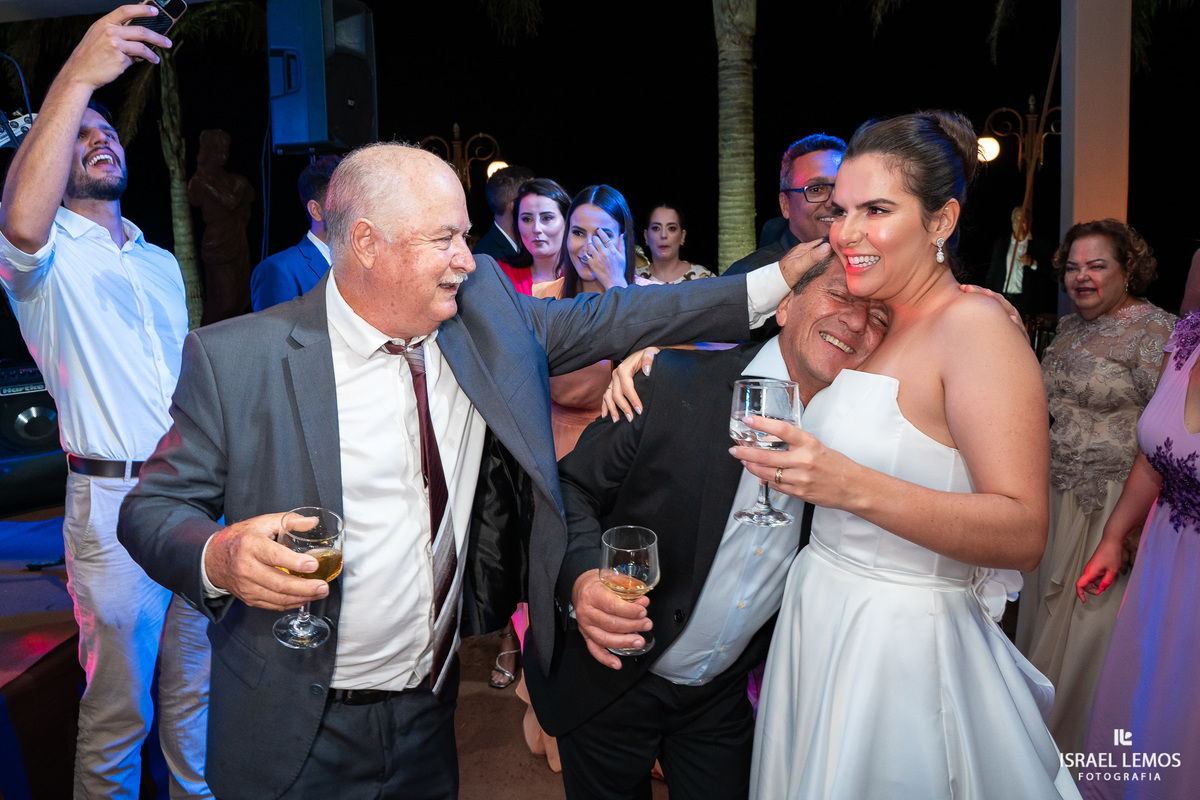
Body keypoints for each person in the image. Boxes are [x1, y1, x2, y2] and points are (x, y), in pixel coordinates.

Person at [117, 141, 816, 799]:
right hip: (292, 721)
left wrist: (776, 279)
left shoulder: (484, 322)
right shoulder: (237, 359)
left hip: (429, 715)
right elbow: (150, 511)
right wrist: (219, 555)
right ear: (366, 243)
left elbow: (620, 311)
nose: (469, 258)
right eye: (444, 238)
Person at [737, 112, 1078, 798]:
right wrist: (652, 355)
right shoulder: (881, 319)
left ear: (942, 221)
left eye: (877, 210)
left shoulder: (976, 330)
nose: (847, 233)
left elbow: (1023, 532)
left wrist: (847, 484)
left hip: (899, 641)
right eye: (840, 210)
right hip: (823, 610)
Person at [523, 255, 889, 800]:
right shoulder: (668, 381)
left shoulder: (865, 440)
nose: (856, 322)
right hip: (608, 681)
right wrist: (581, 581)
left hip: (721, 699)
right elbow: (570, 489)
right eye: (839, 296)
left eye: (878, 315)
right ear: (784, 304)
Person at [0, 7, 213, 798]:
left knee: (195, 693)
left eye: (107, 130)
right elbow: (21, 216)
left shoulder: (157, 260)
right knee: (120, 713)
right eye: (79, 132)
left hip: (191, 496)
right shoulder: (41, 258)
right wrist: (81, 75)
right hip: (113, 505)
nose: (102, 138)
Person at [1016, 219, 1175, 760]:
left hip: (1114, 508)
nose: (1081, 277)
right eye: (1072, 267)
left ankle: (1084, 760)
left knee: (1093, 637)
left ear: (1128, 269)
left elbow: (1170, 434)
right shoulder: (1065, 330)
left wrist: (1135, 529)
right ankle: (1033, 755)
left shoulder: (1159, 333)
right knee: (1044, 625)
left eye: (1097, 265)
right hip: (1056, 500)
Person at [1075, 309, 1200, 800]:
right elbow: (1156, 457)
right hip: (1162, 559)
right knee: (1147, 700)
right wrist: (1113, 536)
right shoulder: (1187, 339)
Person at [724, 133, 844, 276]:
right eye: (816, 189)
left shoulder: (867, 263)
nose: (833, 201)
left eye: (843, 186)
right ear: (785, 205)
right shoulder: (751, 276)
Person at [251, 154, 342, 311]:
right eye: (345, 203)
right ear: (316, 210)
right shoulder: (279, 270)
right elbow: (274, 334)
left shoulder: (365, 263)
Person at [188, 128, 254, 324]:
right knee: (225, 299)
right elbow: (229, 200)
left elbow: (247, 195)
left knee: (241, 294)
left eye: (225, 148)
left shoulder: (225, 176)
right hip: (218, 240)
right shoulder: (201, 180)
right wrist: (240, 186)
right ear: (209, 151)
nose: (224, 154)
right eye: (218, 149)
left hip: (236, 236)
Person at [497, 178, 570, 297]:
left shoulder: (583, 274)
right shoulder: (501, 274)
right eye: (527, 219)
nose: (536, 228)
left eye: (547, 218)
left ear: (567, 221)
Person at [636, 203, 714, 284]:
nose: (663, 235)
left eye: (671, 228)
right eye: (656, 228)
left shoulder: (704, 277)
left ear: (682, 236)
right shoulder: (633, 280)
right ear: (646, 236)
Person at [472, 165, 534, 261]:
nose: (539, 205)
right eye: (532, 199)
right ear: (515, 205)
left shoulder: (529, 245)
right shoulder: (487, 258)